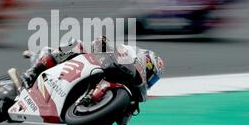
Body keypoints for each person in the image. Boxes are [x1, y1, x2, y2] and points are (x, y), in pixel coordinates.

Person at [20, 36, 164, 89]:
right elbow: (101, 41)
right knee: (77, 44)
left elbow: (122, 122)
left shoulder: (136, 89)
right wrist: (104, 44)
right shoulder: (126, 55)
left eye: (153, 80)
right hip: (85, 62)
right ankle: (33, 72)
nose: (150, 80)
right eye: (151, 75)